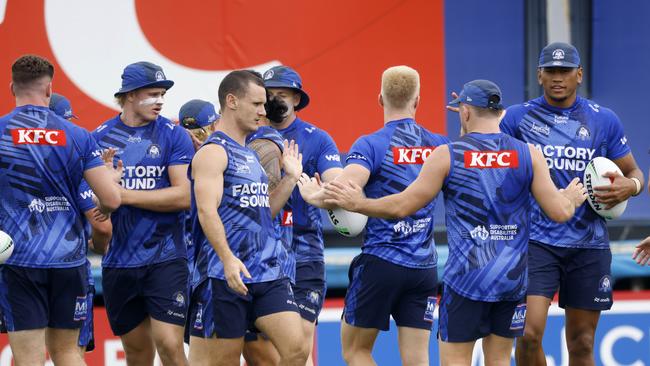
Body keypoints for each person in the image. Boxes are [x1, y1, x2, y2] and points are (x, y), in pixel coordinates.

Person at [319, 79, 587, 366]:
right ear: (500, 113)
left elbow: (400, 207)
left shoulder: (448, 155)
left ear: (466, 112)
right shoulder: (528, 154)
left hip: (465, 282)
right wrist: (571, 197)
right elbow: (559, 212)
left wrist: (358, 204)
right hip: (510, 281)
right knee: (497, 362)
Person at [496, 43, 645, 366]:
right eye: (550, 71)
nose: (557, 78)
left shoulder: (604, 120)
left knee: (581, 343)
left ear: (579, 75)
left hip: (588, 245)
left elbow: (635, 172)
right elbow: (492, 168)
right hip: (535, 243)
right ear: (539, 75)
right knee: (528, 334)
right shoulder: (517, 119)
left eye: (565, 71)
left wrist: (629, 186)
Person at [299, 65, 450, 366]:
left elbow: (344, 187)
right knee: (418, 359)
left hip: (381, 263)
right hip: (424, 267)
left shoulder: (371, 144)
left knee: (356, 351)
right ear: (417, 101)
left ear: (379, 99)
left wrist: (312, 195)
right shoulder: (439, 145)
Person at [0, 54, 121, 366]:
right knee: (67, 353)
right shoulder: (78, 135)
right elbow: (111, 199)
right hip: (68, 261)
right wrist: (106, 204)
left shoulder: (1, 132)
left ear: (12, 86)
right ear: (50, 89)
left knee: (28, 358)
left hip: (19, 260)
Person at [187, 70, 307, 366]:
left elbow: (265, 210)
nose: (263, 112)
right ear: (231, 101)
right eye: (256, 104)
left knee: (297, 350)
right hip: (222, 274)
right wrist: (227, 258)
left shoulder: (251, 154)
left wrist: (291, 179)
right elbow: (206, 211)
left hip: (266, 273)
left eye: (263, 105)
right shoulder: (213, 153)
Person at [94, 61, 195, 365]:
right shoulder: (98, 139)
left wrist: (121, 194)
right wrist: (106, 198)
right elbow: (98, 209)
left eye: (162, 93)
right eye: (152, 94)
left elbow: (184, 196)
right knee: (137, 353)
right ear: (129, 96)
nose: (160, 101)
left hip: (166, 258)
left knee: (170, 345)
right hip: (119, 260)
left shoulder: (173, 135)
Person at [263, 66, 343, 364]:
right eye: (269, 94)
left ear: (296, 99)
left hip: (304, 255)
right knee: (264, 354)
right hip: (257, 256)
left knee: (297, 349)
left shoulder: (317, 138)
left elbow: (339, 185)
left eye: (281, 94)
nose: (274, 100)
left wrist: (319, 195)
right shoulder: (249, 135)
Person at [49, 92, 114, 354]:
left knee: (26, 351)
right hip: (69, 266)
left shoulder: (14, 157)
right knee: (68, 354)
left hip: (21, 266)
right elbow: (101, 225)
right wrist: (100, 245)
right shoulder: (79, 160)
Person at [241, 95, 293, 366]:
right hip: (243, 263)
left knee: (276, 354)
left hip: (263, 264)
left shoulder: (266, 146)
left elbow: (266, 209)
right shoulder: (237, 142)